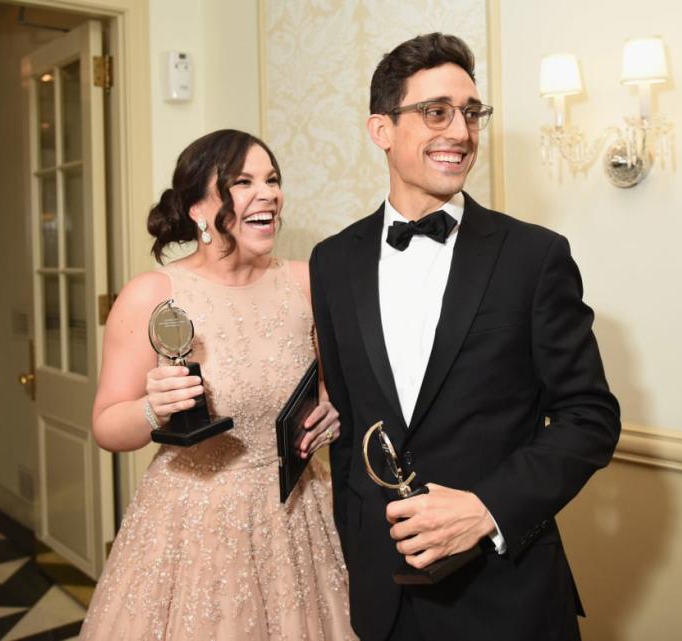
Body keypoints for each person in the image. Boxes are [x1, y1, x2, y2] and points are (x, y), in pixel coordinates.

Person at [309, 34, 621, 641]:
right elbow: (351, 433)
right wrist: (358, 556)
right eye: (436, 111)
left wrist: (486, 510)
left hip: (506, 596)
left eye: (471, 112)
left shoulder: (534, 256)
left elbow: (591, 418)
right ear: (381, 130)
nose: (460, 130)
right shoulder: (331, 261)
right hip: (382, 600)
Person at [80, 129, 355, 641]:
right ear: (198, 208)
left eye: (272, 180)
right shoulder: (151, 295)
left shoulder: (306, 283)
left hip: (297, 512)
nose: (269, 193)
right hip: (194, 523)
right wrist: (151, 409)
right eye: (244, 181)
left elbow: (334, 389)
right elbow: (105, 425)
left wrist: (332, 411)